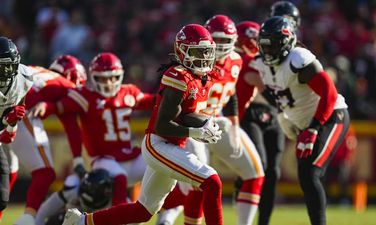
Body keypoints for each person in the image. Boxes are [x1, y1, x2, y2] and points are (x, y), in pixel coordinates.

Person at [61, 23, 223, 225]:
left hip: (172, 146)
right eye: (199, 52)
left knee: (143, 212)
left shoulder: (201, 78)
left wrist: (204, 123)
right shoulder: (178, 77)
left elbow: (185, 114)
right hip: (159, 145)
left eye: (207, 52)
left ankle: (80, 222)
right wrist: (195, 132)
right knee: (211, 181)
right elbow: (162, 126)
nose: (204, 57)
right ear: (182, 51)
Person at [157, 15, 265, 225]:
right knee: (199, 181)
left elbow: (231, 92)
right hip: (193, 123)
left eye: (227, 40)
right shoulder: (197, 61)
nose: (223, 45)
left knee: (254, 172)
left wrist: (233, 124)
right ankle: (170, 213)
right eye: (218, 40)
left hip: (218, 122)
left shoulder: (236, 60)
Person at [253, 16, 349, 225]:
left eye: (272, 46)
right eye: (264, 46)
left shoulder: (298, 59)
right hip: (305, 123)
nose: (267, 51)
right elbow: (280, 95)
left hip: (331, 116)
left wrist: (313, 128)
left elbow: (330, 95)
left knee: (310, 173)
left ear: (286, 43)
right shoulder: (261, 64)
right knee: (307, 176)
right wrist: (283, 115)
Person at [32, 52, 155, 210]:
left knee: (160, 165)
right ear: (94, 78)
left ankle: (166, 213)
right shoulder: (86, 97)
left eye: (112, 77)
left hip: (129, 155)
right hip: (103, 160)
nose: (109, 83)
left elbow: (151, 101)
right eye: (103, 78)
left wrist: (170, 95)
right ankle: (117, 218)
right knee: (119, 178)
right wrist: (46, 107)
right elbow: (62, 106)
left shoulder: (128, 92)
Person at [11, 55, 87, 225]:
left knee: (7, 171)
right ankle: (28, 220)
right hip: (16, 111)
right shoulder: (67, 86)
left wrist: (49, 106)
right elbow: (72, 125)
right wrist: (78, 160)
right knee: (45, 173)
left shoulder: (39, 71)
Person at [234, 20, 286, 225]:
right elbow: (262, 85)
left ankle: (264, 221)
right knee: (258, 165)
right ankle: (243, 206)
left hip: (272, 114)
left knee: (272, 171)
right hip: (249, 114)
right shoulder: (244, 61)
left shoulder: (272, 58)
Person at [0, 36, 33, 213]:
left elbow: (20, 102)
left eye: (10, 65)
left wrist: (12, 128)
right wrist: (4, 121)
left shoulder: (24, 77)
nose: (6, 70)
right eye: (1, 65)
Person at [36, 169, 113, 225]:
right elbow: (43, 211)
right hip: (69, 218)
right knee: (70, 215)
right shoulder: (72, 188)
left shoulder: (114, 204)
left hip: (95, 219)